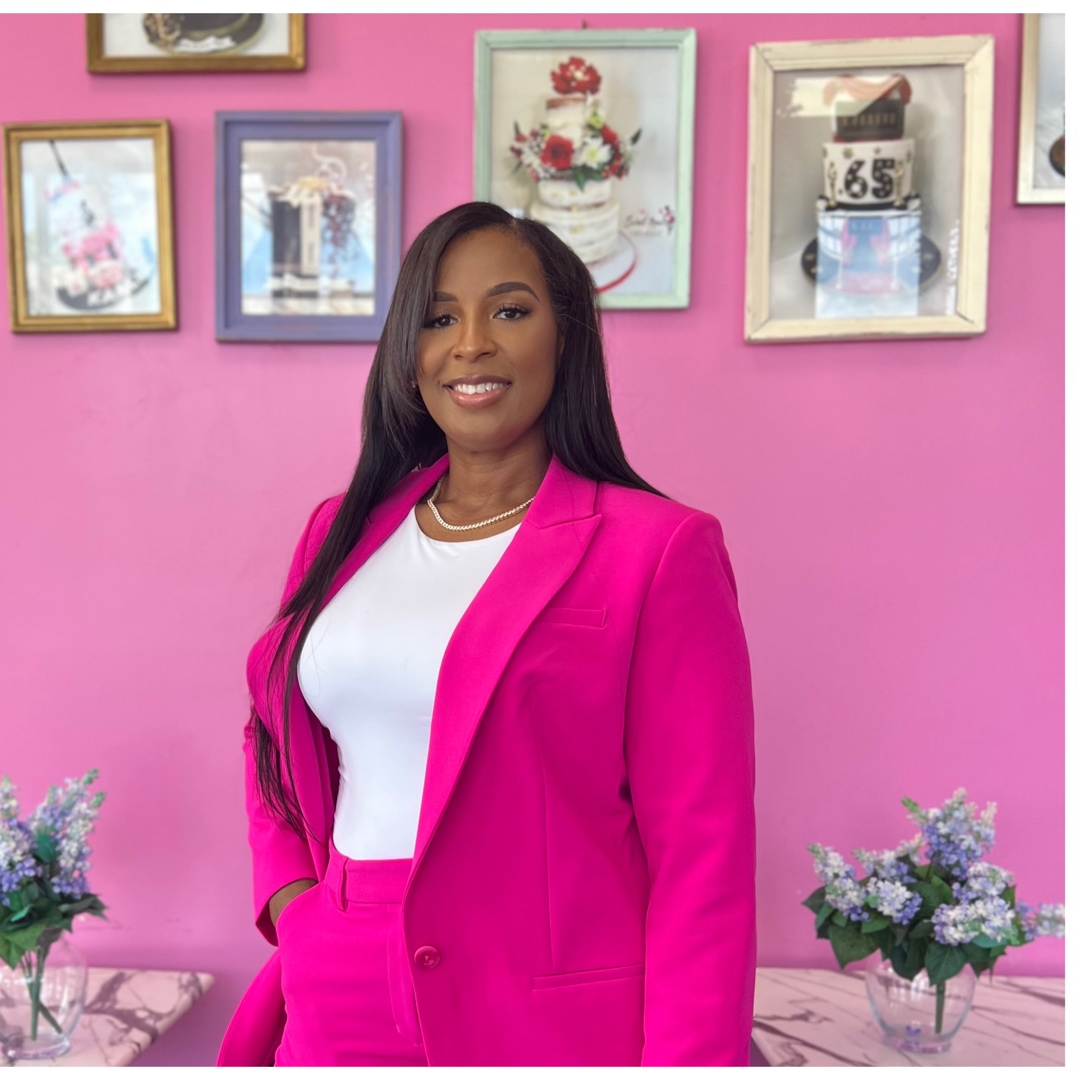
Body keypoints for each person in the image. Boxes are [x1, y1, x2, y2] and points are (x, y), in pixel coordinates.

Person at [217, 201, 756, 1067]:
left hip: (547, 1015)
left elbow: (703, 853)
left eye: (509, 310)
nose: (470, 344)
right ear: (409, 352)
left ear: (566, 337)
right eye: (439, 319)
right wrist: (293, 900)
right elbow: (271, 732)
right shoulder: (339, 532)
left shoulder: (659, 550)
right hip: (336, 984)